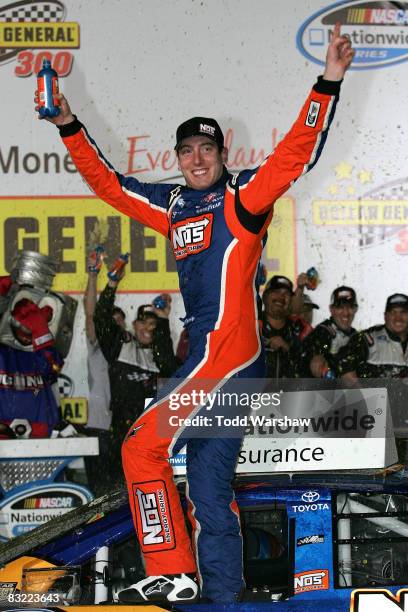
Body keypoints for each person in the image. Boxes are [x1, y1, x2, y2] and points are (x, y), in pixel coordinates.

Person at [37, 24, 354, 603]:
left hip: (226, 357)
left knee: (140, 447)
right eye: (188, 150)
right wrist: (67, 125)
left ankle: (172, 566)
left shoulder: (243, 198)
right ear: (179, 159)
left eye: (208, 148)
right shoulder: (173, 204)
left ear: (222, 155)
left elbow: (293, 155)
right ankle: (223, 600)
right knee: (209, 493)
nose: (198, 158)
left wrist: (328, 79)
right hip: (230, 365)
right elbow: (109, 185)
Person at [336, 293, 408, 381]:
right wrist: (359, 392)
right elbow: (343, 363)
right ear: (385, 316)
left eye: (403, 312)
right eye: (393, 312)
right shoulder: (367, 338)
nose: (398, 318)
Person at [301, 285, 358, 378]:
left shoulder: (357, 337)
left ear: (356, 309)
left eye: (350, 307)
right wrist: (315, 356)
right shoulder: (323, 331)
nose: (346, 312)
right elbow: (312, 350)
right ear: (331, 309)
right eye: (340, 307)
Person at [261, 275, 312, 378]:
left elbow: (312, 369)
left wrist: (288, 349)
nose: (281, 297)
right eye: (276, 292)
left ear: (290, 302)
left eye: (286, 294)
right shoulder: (250, 325)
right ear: (265, 297)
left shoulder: (301, 329)